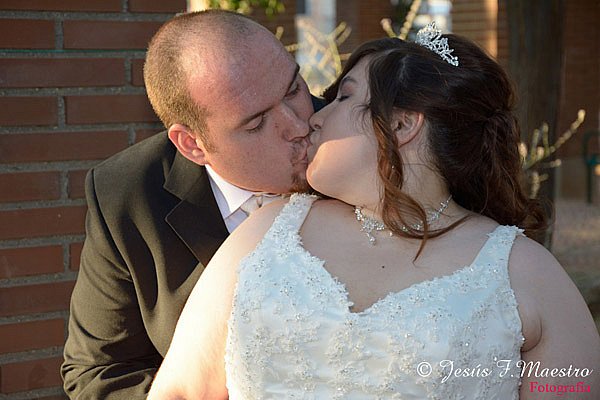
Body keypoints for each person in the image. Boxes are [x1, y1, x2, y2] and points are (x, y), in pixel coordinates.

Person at [147, 25, 600, 399]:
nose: (313, 118)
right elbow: (181, 392)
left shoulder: (524, 273)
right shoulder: (265, 233)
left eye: (344, 97)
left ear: (402, 124)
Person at [61, 10, 322, 398]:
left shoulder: (364, 140)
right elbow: (97, 372)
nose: (299, 125)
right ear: (192, 144)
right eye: (256, 123)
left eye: (293, 89)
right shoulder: (127, 194)